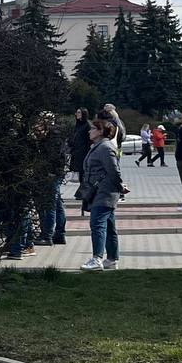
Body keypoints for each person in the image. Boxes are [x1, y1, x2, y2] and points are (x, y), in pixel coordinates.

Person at [80, 119, 127, 271]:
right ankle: (112, 259)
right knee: (109, 225)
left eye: (93, 128)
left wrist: (120, 187)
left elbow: (114, 170)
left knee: (97, 224)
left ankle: (97, 259)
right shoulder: (98, 146)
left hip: (105, 193)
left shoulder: (105, 148)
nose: (89, 130)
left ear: (101, 131)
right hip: (100, 192)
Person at [69, 108, 91, 183]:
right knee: (80, 174)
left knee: (83, 174)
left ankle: (85, 193)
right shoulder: (77, 124)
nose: (76, 114)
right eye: (77, 112)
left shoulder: (87, 125)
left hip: (84, 152)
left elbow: (89, 140)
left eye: (79, 112)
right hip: (76, 151)